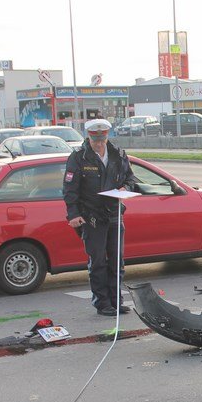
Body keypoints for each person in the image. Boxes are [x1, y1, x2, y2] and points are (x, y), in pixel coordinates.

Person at [63, 118, 137, 317]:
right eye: (95, 140)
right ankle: (102, 303)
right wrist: (73, 214)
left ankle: (116, 301)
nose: (99, 144)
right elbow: (70, 189)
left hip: (114, 213)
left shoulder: (118, 154)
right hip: (92, 216)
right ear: (89, 137)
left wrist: (125, 188)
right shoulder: (79, 157)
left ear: (107, 136)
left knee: (117, 261)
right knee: (97, 262)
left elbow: (131, 178)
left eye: (102, 140)